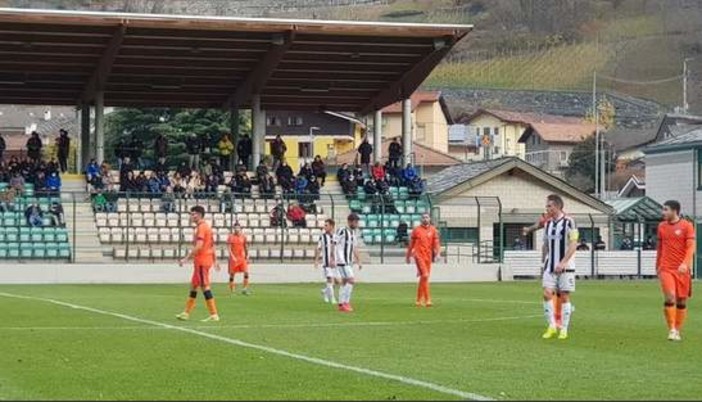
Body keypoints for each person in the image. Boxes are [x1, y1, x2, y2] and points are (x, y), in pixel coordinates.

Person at [656, 200, 695, 341]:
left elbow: (691, 247)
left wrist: (685, 264)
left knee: (681, 301)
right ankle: (671, 329)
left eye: (666, 209)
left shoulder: (687, 226)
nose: (663, 212)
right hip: (666, 268)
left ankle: (677, 330)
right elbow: (660, 247)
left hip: (682, 270)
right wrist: (657, 265)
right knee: (670, 296)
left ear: (675, 211)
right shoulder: (661, 226)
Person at [540, 194, 578, 340]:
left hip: (566, 267)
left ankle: (564, 329)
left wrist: (563, 262)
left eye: (549, 206)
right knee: (546, 294)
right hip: (550, 266)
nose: (547, 208)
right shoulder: (548, 223)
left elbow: (573, 244)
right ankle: (552, 326)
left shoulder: (570, 222)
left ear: (557, 206)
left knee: (564, 296)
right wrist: (543, 262)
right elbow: (545, 244)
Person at [177, 206, 220, 322]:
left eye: (193, 214)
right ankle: (186, 313)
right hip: (203, 260)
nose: (191, 216)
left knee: (204, 286)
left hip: (202, 261)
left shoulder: (202, 228)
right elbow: (212, 245)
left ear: (199, 215)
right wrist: (215, 260)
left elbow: (199, 246)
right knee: (194, 286)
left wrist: (185, 258)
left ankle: (214, 314)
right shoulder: (206, 227)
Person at [406, 213, 441, 307]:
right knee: (425, 275)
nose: (425, 219)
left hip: (428, 256)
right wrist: (408, 256)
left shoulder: (433, 230)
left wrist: (437, 253)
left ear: (429, 219)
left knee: (424, 277)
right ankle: (428, 300)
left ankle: (418, 300)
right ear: (421, 219)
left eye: (427, 217)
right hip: (418, 255)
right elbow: (411, 244)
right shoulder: (416, 230)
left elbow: (436, 243)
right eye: (423, 217)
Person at [335, 213, 362, 312]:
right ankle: (346, 302)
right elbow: (334, 243)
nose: (357, 224)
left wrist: (359, 260)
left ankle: (341, 304)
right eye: (355, 222)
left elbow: (354, 247)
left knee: (344, 281)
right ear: (350, 221)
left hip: (348, 261)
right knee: (351, 280)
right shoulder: (342, 231)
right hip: (342, 261)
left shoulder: (353, 233)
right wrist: (333, 258)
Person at [315, 218, 339, 305]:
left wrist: (334, 259)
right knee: (329, 279)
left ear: (332, 226)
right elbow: (319, 248)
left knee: (337, 282)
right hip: (326, 262)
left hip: (335, 262)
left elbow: (334, 247)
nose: (324, 227)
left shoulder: (335, 236)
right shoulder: (322, 237)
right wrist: (316, 260)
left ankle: (325, 291)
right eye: (324, 225)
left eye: (326, 225)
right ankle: (332, 298)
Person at [227, 222, 251, 295]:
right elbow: (229, 248)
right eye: (235, 228)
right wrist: (232, 256)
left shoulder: (243, 236)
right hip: (234, 258)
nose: (237, 229)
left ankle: (244, 289)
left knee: (246, 272)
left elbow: (245, 246)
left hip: (242, 257)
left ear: (240, 228)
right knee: (232, 274)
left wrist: (247, 254)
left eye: (238, 227)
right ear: (234, 229)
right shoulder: (230, 237)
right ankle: (232, 290)